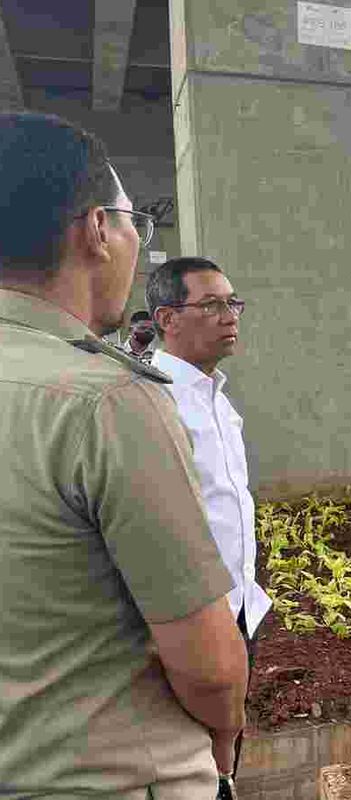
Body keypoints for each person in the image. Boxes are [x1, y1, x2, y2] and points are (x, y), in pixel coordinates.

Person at [0, 113, 247, 795]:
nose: (229, 317)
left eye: (235, 304)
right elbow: (208, 666)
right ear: (97, 231)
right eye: (135, 221)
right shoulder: (105, 402)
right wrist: (226, 731)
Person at [147, 257, 270, 783]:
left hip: (239, 604)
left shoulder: (217, 398)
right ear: (167, 318)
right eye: (212, 304)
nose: (229, 315)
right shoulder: (152, 399)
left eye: (233, 303)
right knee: (190, 756)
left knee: (226, 754)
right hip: (190, 614)